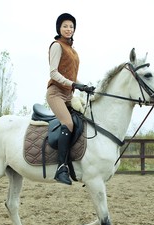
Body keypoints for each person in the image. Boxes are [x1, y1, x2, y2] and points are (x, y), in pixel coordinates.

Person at [46, 13, 94, 185]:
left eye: (71, 27)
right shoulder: (57, 46)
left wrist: (84, 86)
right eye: (65, 26)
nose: (68, 29)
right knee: (68, 123)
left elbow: (71, 76)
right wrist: (74, 85)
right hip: (55, 94)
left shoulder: (73, 51)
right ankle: (60, 168)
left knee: (81, 121)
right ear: (59, 28)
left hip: (68, 95)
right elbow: (54, 73)